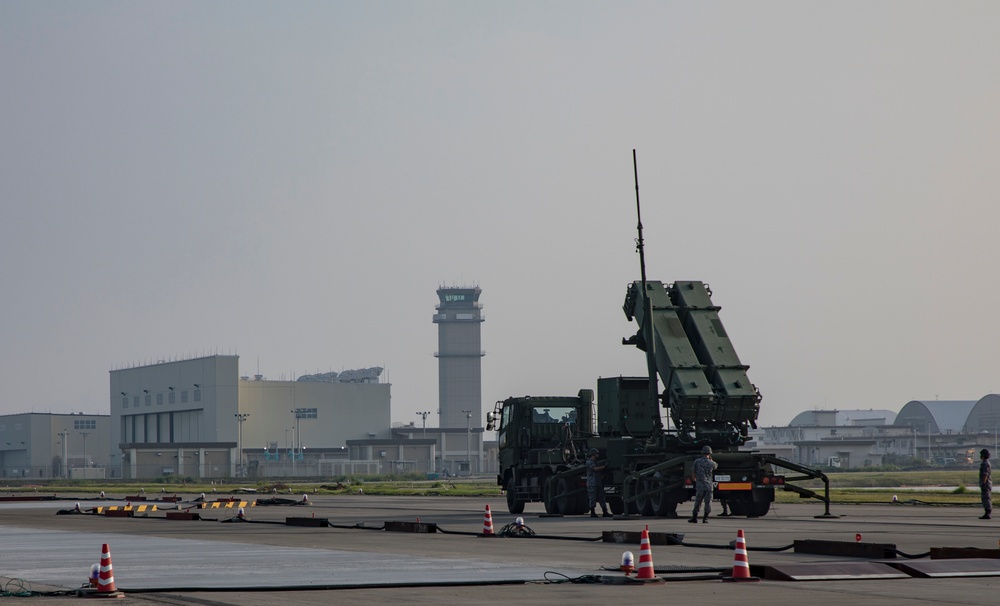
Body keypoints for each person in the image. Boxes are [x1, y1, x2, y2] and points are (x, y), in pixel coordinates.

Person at [689, 445, 718, 524]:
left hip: (700, 485)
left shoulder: (697, 461)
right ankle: (705, 518)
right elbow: (715, 467)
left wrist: (694, 479)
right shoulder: (712, 463)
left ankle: (694, 517)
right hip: (709, 485)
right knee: (708, 502)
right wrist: (711, 460)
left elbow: (693, 471)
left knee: (698, 502)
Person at [586, 448, 612, 518]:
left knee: (602, 497)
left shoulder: (596, 462)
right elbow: (595, 469)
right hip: (592, 483)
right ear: (593, 454)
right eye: (597, 453)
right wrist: (604, 466)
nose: (598, 455)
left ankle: (605, 512)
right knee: (592, 498)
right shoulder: (590, 462)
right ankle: (592, 512)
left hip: (598, 482)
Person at [979, 448, 992, 520]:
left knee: (986, 498)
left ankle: (988, 513)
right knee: (984, 498)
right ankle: (987, 512)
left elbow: (985, 474)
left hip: (986, 484)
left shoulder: (985, 463)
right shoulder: (985, 462)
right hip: (985, 483)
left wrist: (983, 483)